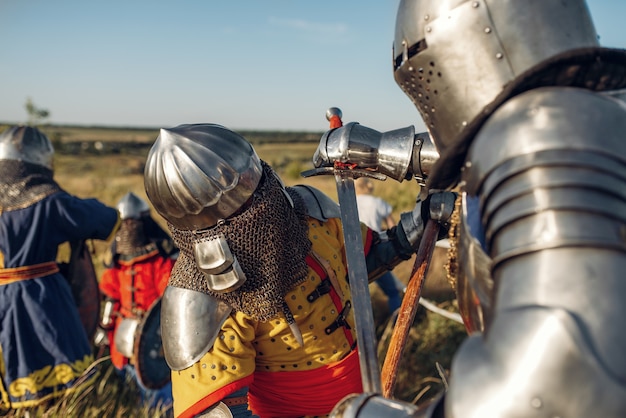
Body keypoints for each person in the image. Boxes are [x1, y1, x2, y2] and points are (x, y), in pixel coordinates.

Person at [312, 1, 626, 417]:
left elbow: (560, 376)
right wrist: (378, 148)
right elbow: (479, 153)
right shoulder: (586, 120)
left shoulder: (548, 129)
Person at [142, 123, 455, 418]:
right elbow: (215, 411)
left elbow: (361, 265)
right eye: (250, 205)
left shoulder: (308, 210)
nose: (265, 203)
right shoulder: (202, 298)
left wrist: (415, 227)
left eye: (261, 190)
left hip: (368, 391)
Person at [0, 125, 120, 410]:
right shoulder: (47, 201)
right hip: (41, 299)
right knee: (60, 375)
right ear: (40, 161)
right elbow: (106, 220)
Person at [97, 191, 178, 412]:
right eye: (126, 223)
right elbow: (110, 296)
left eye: (134, 223)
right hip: (122, 338)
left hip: (156, 341)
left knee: (160, 397)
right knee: (131, 390)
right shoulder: (117, 262)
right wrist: (105, 326)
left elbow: (169, 302)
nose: (130, 228)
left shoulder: (163, 260)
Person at [354, 177, 404, 315]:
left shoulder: (347, 204)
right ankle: (397, 322)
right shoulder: (378, 203)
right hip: (375, 252)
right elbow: (393, 228)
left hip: (353, 255)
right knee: (392, 292)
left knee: (355, 296)